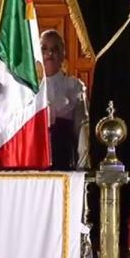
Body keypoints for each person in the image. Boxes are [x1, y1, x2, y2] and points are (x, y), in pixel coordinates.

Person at [41, 29, 90, 170]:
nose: (49, 54)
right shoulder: (28, 87)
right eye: (44, 49)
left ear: (62, 55)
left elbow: (82, 128)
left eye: (54, 49)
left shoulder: (74, 86)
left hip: (62, 155)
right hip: (34, 157)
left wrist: (82, 167)